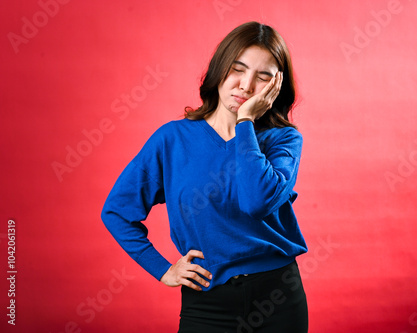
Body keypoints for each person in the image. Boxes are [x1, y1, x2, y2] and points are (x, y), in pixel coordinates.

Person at [101, 21, 308, 332]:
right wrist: (162, 270)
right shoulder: (172, 140)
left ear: (275, 87)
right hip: (207, 300)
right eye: (238, 69)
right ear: (220, 70)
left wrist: (246, 122)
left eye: (263, 77)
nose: (246, 85)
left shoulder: (283, 140)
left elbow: (256, 201)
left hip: (278, 296)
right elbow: (117, 211)